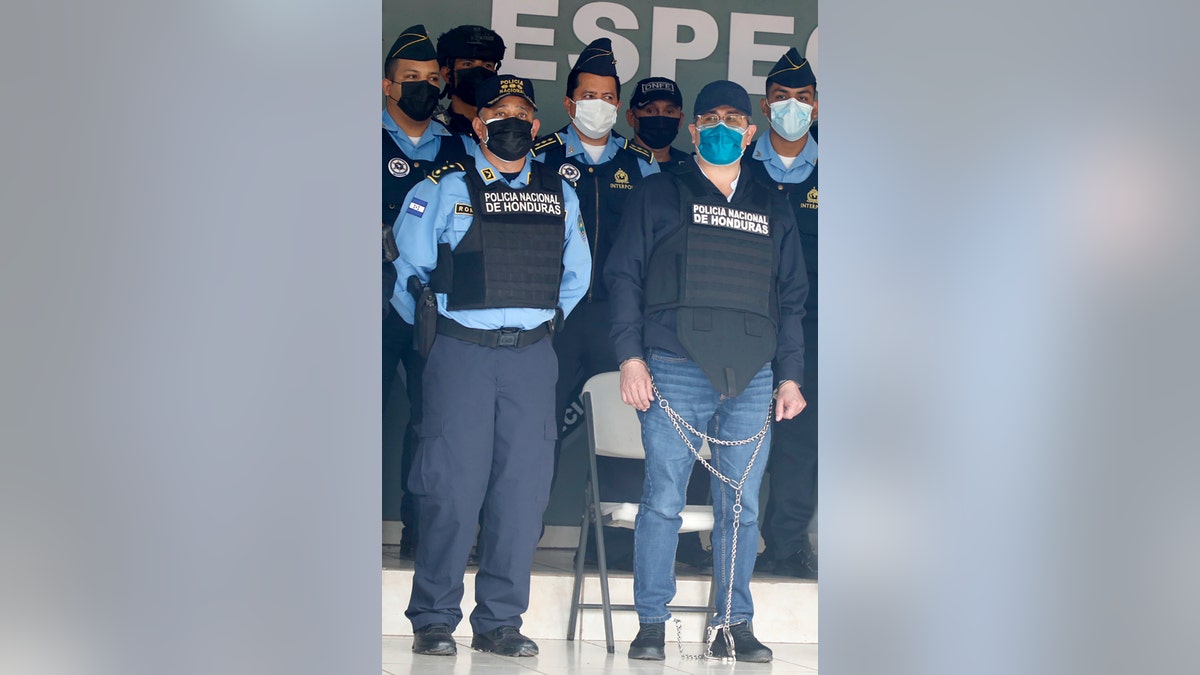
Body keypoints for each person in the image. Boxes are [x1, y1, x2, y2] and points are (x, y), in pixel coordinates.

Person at [605, 80, 808, 662]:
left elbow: (791, 297)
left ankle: (733, 623)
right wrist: (630, 357)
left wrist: (789, 375)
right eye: (710, 118)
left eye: (733, 119)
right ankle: (651, 622)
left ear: (751, 132)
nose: (721, 127)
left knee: (739, 506)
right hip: (673, 366)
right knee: (662, 499)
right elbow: (624, 279)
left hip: (753, 376)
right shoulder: (658, 194)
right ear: (694, 130)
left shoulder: (774, 203)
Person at [394, 74, 590, 658]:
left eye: (521, 115)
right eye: (497, 113)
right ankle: (433, 618)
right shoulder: (443, 187)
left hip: (531, 356)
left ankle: (500, 621)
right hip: (461, 355)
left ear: (535, 126)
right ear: (477, 125)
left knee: (521, 491)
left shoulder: (560, 193)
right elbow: (408, 276)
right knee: (451, 489)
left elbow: (575, 277)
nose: (510, 123)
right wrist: (442, 337)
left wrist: (536, 325)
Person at [530, 39, 658, 568]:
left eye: (608, 96)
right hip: (555, 315)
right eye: (588, 95)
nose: (598, 105)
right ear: (569, 103)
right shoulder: (541, 157)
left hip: (618, 320)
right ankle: (515, 535)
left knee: (624, 430)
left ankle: (619, 549)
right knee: (535, 431)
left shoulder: (642, 164)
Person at [381, 24, 471, 559]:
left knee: (431, 422)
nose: (423, 86)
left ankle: (420, 531)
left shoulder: (459, 147)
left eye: (431, 79)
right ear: (387, 86)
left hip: (431, 302)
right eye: (410, 78)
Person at [743, 47, 819, 580]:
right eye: (781, 98)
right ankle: (713, 542)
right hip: (742, 321)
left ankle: (788, 543)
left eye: (803, 98)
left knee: (800, 442)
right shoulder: (737, 166)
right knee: (731, 433)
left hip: (814, 327)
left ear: (817, 106)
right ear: (765, 108)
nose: (792, 106)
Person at [433, 25, 505, 141]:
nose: (479, 72)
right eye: (468, 64)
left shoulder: (507, 131)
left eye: (487, 66)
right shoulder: (435, 131)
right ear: (447, 74)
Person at [626, 76, 690, 168]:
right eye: (650, 111)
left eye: (669, 111)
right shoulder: (613, 163)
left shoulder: (692, 167)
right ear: (631, 117)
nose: (660, 118)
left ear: (680, 120)